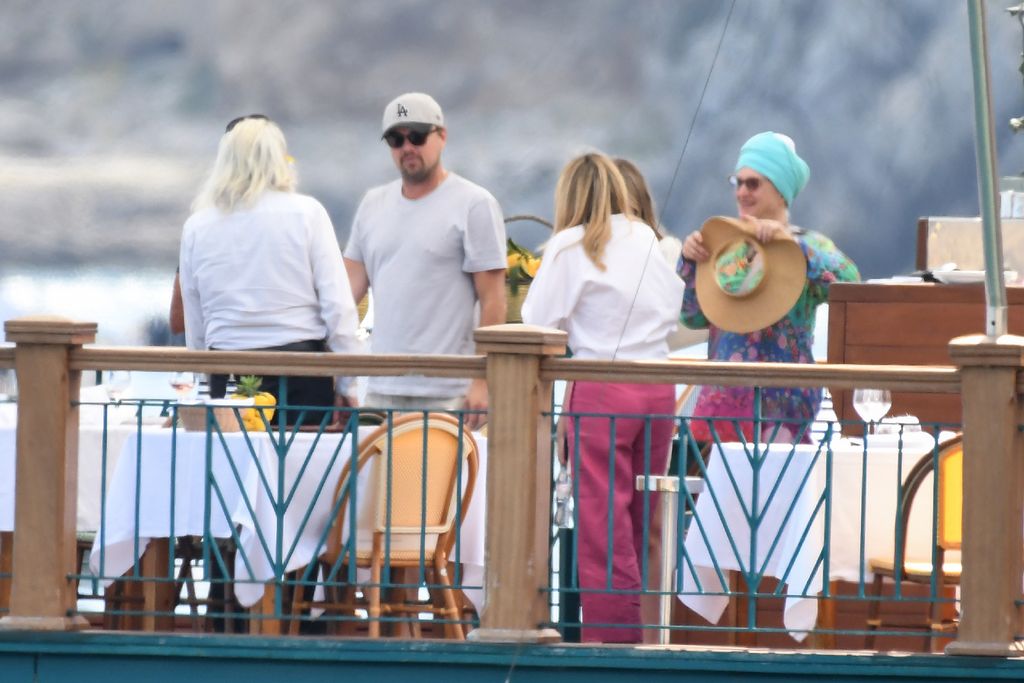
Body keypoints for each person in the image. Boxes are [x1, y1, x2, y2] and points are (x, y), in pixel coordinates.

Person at [522, 152, 684, 643]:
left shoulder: (572, 245)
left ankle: (610, 644)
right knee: (640, 517)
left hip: (603, 387)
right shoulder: (649, 240)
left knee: (601, 523)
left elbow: (536, 322)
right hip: (658, 390)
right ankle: (646, 636)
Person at [179, 114, 361, 425]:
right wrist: (348, 384)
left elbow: (195, 320)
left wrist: (204, 382)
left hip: (227, 376)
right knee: (304, 470)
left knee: (230, 470)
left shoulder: (198, 226)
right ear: (278, 158)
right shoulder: (308, 214)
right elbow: (339, 308)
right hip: (301, 374)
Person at [679, 131, 860, 443]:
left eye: (754, 183)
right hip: (722, 413)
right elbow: (691, 316)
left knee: (780, 492)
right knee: (724, 494)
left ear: (781, 192)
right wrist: (689, 263)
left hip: (785, 412)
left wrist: (792, 247)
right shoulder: (724, 246)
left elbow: (851, 283)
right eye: (738, 182)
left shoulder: (808, 244)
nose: (742, 192)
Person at [343, 93, 506, 430]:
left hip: (450, 393)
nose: (407, 147)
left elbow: (494, 300)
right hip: (382, 388)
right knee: (377, 484)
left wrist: (483, 381)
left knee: (444, 485)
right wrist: (335, 376)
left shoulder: (474, 204)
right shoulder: (373, 205)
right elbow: (345, 297)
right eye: (396, 139)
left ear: (441, 136)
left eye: (417, 136)